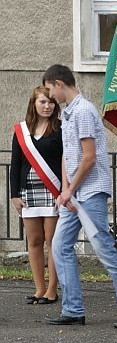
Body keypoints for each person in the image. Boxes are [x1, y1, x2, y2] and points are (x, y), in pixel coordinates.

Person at [42, 64, 117, 328]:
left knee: (103, 249)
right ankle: (73, 309)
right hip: (73, 193)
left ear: (59, 83)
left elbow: (89, 156)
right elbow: (67, 154)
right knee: (60, 246)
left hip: (91, 191)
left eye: (50, 89)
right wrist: (65, 190)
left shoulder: (84, 111)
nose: (51, 96)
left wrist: (70, 189)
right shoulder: (68, 114)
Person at [10, 86, 62, 305]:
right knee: (34, 240)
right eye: (42, 102)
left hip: (53, 191)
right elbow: (15, 164)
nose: (47, 106)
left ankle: (52, 289)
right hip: (28, 192)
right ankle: (39, 288)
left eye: (51, 102)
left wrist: (64, 192)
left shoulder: (60, 128)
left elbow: (65, 160)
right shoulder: (22, 130)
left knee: (53, 241)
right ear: (34, 104)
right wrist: (14, 195)